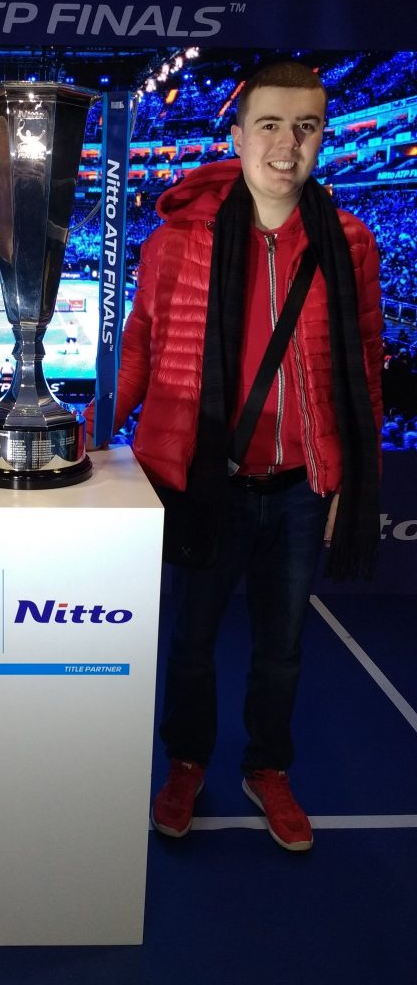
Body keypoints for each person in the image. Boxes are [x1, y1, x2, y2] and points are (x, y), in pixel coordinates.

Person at [86, 63, 382, 852]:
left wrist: (352, 483)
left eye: (306, 127)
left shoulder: (351, 243)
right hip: (204, 481)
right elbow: (140, 345)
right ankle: (186, 763)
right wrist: (91, 433)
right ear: (240, 134)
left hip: (300, 488)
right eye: (271, 125)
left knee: (281, 649)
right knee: (192, 645)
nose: (288, 144)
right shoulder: (179, 239)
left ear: (322, 136)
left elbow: (364, 364)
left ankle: (267, 766)